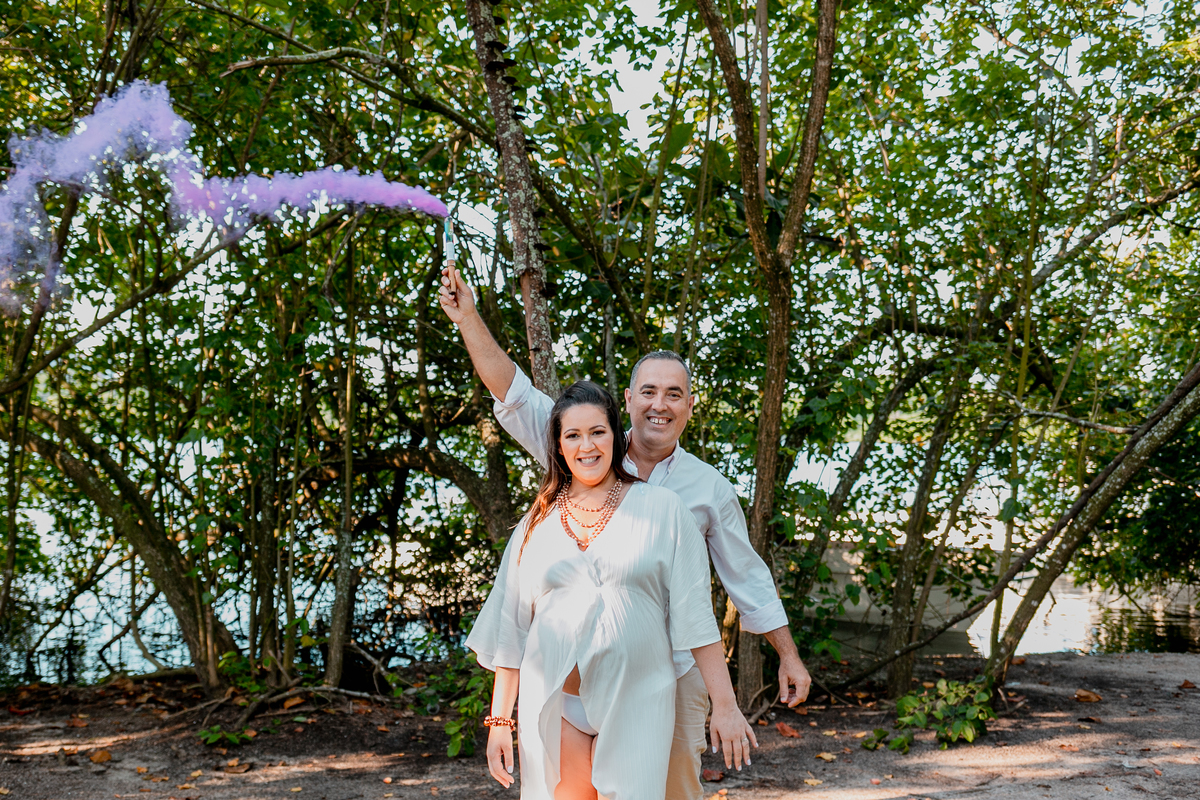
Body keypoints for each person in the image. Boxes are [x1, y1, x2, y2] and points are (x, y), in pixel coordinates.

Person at [439, 267, 813, 800]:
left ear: (689, 405)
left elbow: (745, 578)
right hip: (570, 674)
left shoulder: (704, 489)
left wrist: (787, 655)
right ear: (628, 403)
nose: (660, 404)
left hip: (672, 666)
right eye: (649, 392)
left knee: (672, 787)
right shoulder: (585, 442)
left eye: (674, 394)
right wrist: (468, 317)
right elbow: (513, 391)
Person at [466, 381, 757, 799]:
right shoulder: (538, 521)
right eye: (573, 435)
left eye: (598, 432)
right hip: (557, 705)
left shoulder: (662, 508)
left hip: (638, 701)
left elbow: (696, 615)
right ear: (559, 446)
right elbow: (510, 627)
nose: (587, 445)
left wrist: (725, 706)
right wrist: (499, 723)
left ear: (615, 436)